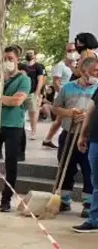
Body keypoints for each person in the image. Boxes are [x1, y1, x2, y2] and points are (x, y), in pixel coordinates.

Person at [52, 57, 98, 217]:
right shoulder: (68, 88)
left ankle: (88, 203)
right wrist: (69, 113)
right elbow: (56, 108)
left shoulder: (97, 88)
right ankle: (63, 201)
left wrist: (87, 116)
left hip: (88, 137)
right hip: (68, 133)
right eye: (94, 71)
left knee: (89, 170)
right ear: (84, 71)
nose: (96, 74)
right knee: (66, 167)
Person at [0, 45, 31, 212]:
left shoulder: (24, 80)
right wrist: (5, 98)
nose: (7, 62)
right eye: (4, 59)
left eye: (10, 59)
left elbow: (17, 101)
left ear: (17, 59)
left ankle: (6, 199)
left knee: (11, 164)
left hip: (14, 126)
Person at [43, 43, 80, 149]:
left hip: (74, 96)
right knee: (60, 119)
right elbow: (55, 81)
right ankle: (49, 139)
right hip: (64, 97)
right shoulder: (61, 65)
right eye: (69, 50)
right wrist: (62, 94)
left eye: (73, 50)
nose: (71, 52)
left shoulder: (77, 65)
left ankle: (47, 139)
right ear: (65, 52)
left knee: (59, 120)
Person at [75, 58, 98, 232]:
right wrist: (83, 135)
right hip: (95, 139)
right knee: (96, 181)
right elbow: (91, 110)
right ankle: (94, 219)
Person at [24, 50, 46, 140]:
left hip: (33, 92)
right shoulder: (23, 66)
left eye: (31, 53)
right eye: (27, 53)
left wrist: (37, 93)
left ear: (34, 55)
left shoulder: (38, 66)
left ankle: (33, 132)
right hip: (24, 92)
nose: (29, 55)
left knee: (33, 112)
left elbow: (41, 80)